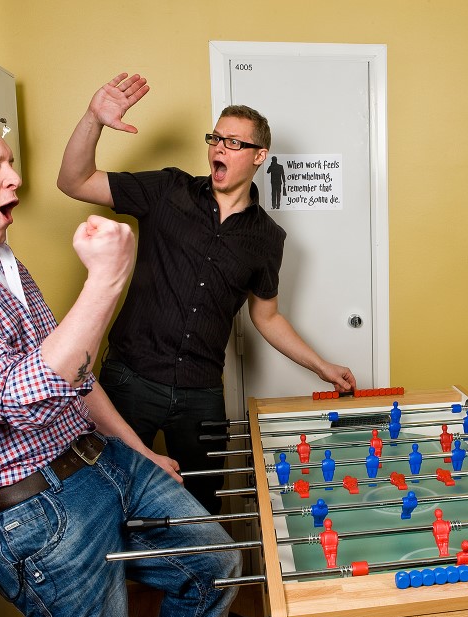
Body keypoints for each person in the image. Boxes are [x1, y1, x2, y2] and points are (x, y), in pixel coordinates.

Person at [0, 117, 241, 617]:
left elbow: (73, 372)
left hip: (102, 459)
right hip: (34, 510)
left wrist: (139, 451)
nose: (15, 177)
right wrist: (107, 280)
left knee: (216, 566)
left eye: (8, 162)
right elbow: (14, 398)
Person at [57, 73, 356, 516]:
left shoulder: (267, 238)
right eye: (215, 137)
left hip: (201, 394)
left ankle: (195, 584)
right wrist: (93, 120)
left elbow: (267, 317)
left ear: (259, 156)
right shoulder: (167, 189)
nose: (219, 147)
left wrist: (323, 366)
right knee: (105, 497)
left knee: (200, 508)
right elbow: (74, 181)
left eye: (233, 143)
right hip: (129, 379)